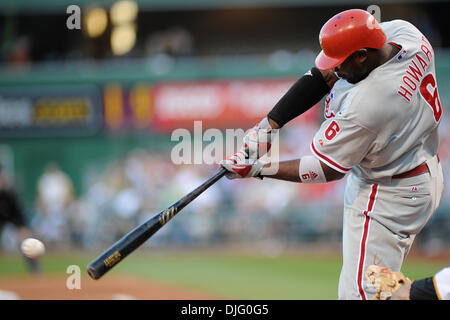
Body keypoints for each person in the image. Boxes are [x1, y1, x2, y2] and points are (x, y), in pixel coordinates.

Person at [220, 9, 444, 300]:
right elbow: (323, 73)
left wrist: (258, 168)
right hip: (420, 171)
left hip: (388, 194)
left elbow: (326, 168)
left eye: (342, 63)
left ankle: (428, 291)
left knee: (363, 292)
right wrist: (268, 125)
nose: (334, 70)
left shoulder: (369, 103)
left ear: (362, 55)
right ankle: (412, 288)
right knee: (376, 279)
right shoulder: (405, 33)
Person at [0, 165, 40, 273]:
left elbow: (19, 218)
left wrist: (23, 232)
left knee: (25, 237)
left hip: (11, 217)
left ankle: (35, 270)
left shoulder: (9, 196)